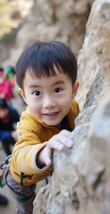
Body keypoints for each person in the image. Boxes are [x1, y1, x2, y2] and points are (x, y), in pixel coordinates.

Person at [6, 41, 80, 214]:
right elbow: (20, 155)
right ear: (24, 96)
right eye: (37, 93)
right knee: (27, 209)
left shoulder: (73, 108)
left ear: (74, 90)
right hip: (20, 179)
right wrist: (44, 151)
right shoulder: (28, 121)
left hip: (45, 169)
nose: (49, 103)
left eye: (58, 89)